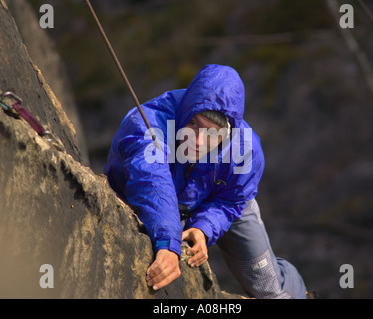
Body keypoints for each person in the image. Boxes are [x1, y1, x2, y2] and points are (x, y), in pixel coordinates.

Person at [104, 64, 307, 298]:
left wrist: (203, 228)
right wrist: (168, 245)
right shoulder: (148, 123)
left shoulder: (245, 150)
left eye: (212, 134)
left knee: (270, 289)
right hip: (152, 196)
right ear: (185, 112)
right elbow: (152, 183)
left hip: (216, 200)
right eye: (193, 124)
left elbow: (230, 201)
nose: (198, 141)